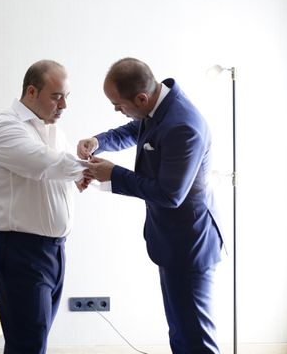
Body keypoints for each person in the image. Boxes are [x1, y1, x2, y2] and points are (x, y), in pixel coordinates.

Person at [78, 57, 224, 354]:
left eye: (118, 105)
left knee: (197, 340)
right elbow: (135, 130)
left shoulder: (184, 126)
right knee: (181, 333)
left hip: (190, 246)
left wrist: (113, 175)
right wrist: (98, 141)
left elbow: (171, 195)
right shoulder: (158, 107)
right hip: (170, 242)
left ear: (141, 98)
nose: (118, 110)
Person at [0, 59, 90, 354]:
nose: (64, 105)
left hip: (52, 250)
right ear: (31, 92)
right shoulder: (4, 128)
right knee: (27, 343)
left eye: (67, 96)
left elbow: (68, 169)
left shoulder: (53, 131)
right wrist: (89, 170)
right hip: (19, 250)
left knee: (33, 340)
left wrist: (80, 172)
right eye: (56, 96)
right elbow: (47, 164)